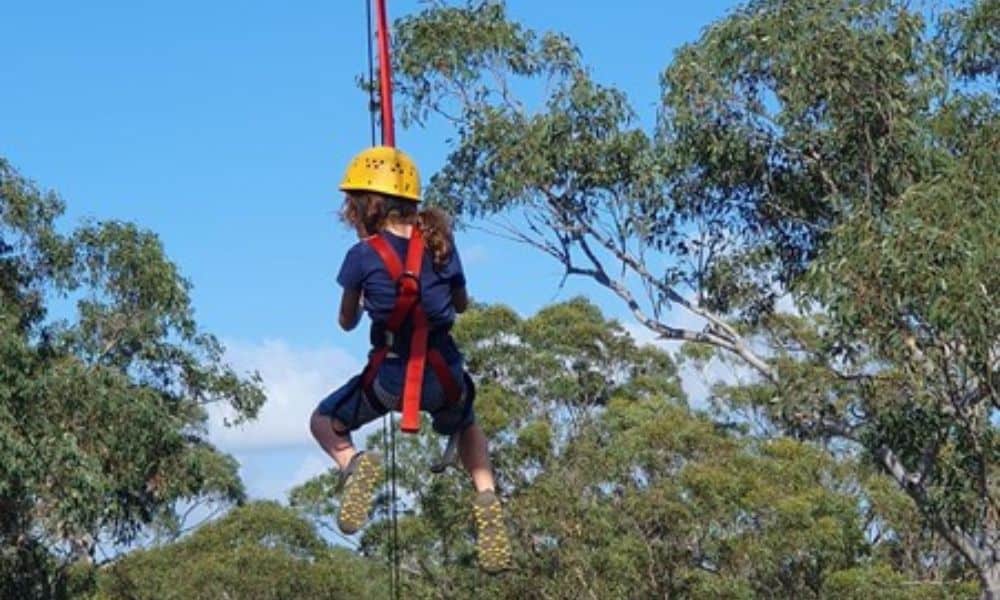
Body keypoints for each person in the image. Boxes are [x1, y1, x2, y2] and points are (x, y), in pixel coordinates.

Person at [309, 146, 512, 574]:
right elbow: (460, 305)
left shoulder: (362, 256)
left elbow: (346, 322)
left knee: (324, 421)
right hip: (445, 375)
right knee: (467, 420)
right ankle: (485, 493)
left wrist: (374, 296)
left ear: (369, 204)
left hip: (392, 378)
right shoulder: (441, 245)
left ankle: (355, 463)